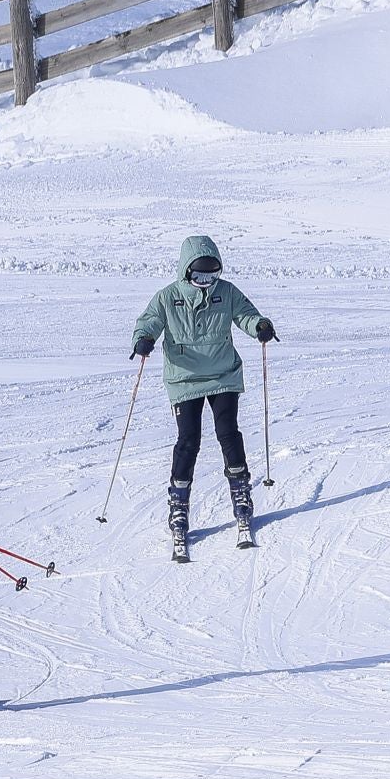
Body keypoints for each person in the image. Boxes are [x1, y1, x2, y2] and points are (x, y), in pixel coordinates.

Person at [130, 235, 276, 560]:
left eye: (212, 275)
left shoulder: (227, 292)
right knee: (188, 441)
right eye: (200, 276)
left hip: (223, 374)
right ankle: (178, 505)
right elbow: (149, 321)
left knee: (228, 432)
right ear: (186, 271)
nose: (206, 282)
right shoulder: (168, 297)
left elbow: (247, 315)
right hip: (184, 378)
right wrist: (143, 339)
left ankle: (241, 494)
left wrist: (260, 326)